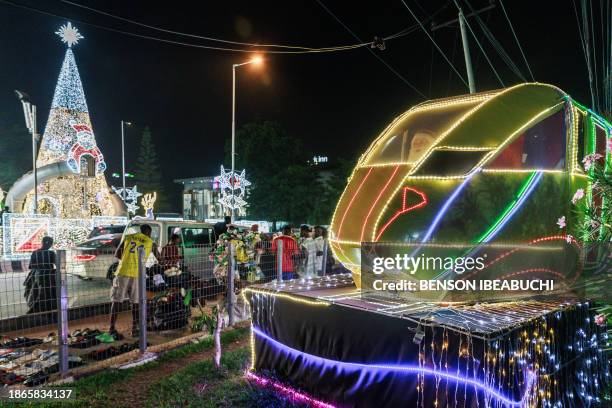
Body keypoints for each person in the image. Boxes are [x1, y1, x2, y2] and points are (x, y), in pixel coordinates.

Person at [109, 224, 160, 337]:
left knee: (116, 301)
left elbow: (117, 254)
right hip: (138, 275)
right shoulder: (151, 243)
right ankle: (135, 329)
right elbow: (160, 259)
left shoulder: (128, 237)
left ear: (140, 231)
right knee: (136, 303)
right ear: (149, 233)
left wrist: (128, 259)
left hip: (122, 272)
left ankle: (111, 328)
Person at [24, 236, 57, 314]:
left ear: (42, 242)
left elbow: (31, 266)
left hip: (37, 275)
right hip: (49, 276)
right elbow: (57, 265)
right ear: (51, 244)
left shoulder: (35, 253)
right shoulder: (51, 253)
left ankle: (34, 309)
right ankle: (49, 310)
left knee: (35, 293)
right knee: (49, 294)